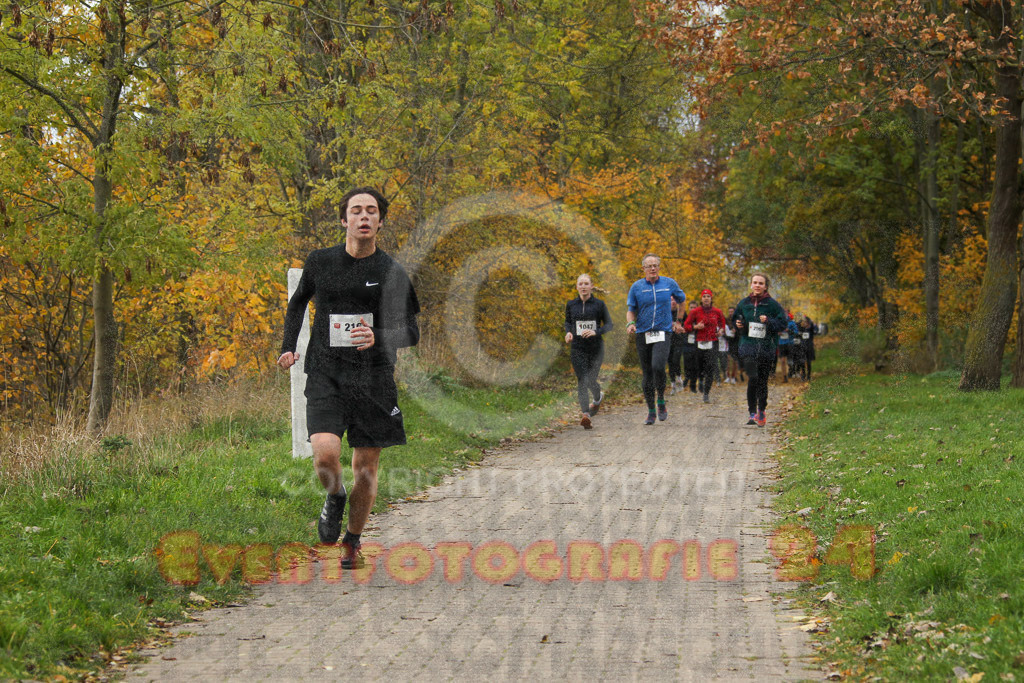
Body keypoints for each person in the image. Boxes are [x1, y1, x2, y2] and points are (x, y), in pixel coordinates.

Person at [278, 187, 420, 570]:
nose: (363, 216)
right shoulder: (321, 262)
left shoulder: (391, 270)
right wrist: (288, 345)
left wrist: (381, 337)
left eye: (371, 211)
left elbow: (411, 330)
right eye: (356, 210)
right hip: (326, 372)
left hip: (373, 377)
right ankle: (335, 495)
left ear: (380, 222)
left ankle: (352, 542)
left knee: (366, 468)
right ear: (344, 220)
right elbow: (298, 303)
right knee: (325, 456)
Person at [626, 254, 686, 425]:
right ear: (643, 268)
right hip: (643, 333)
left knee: (658, 366)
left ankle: (661, 400)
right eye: (649, 266)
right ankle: (651, 410)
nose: (652, 268)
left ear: (659, 267)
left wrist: (678, 321)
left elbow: (682, 300)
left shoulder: (669, 283)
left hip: (663, 332)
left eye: (655, 265)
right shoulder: (636, 287)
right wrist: (630, 323)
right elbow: (631, 309)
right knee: (647, 372)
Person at [732, 273, 787, 427]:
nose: (757, 285)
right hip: (748, 345)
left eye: (760, 283)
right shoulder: (743, 303)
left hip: (766, 347)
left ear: (765, 286)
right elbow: (736, 320)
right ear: (751, 285)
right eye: (755, 282)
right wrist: (738, 324)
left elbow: (782, 324)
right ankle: (752, 412)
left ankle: (761, 409)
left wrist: (769, 321)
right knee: (753, 377)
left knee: (762, 380)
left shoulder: (773, 305)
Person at [564, 273, 613, 429]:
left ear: (591, 286)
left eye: (586, 283)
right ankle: (585, 414)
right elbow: (568, 322)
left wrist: (595, 332)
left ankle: (598, 397)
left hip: (596, 348)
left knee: (591, 379)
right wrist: (569, 332)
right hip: (577, 347)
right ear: (577, 286)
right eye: (581, 284)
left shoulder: (599, 305)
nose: (583, 286)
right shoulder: (571, 304)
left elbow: (609, 325)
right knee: (582, 380)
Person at [683, 289, 727, 403]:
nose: (706, 298)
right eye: (704, 296)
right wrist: (696, 327)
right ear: (701, 299)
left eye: (708, 296)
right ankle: (700, 379)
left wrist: (721, 331)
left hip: (712, 342)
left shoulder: (717, 311)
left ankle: (706, 393)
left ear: (711, 299)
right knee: (699, 367)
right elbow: (686, 325)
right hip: (699, 342)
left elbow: (723, 324)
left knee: (710, 368)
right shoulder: (695, 312)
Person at [667, 299, 685, 394]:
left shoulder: (681, 313)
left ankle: (678, 377)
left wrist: (682, 328)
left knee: (675, 360)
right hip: (668, 341)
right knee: (670, 363)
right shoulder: (665, 313)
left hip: (678, 341)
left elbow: (687, 325)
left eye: (675, 300)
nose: (673, 302)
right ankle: (673, 383)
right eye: (671, 300)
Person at [681, 301, 699, 393]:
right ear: (689, 308)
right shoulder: (685, 318)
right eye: (691, 307)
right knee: (687, 364)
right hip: (686, 344)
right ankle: (686, 379)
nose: (693, 309)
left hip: (696, 344)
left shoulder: (699, 319)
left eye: (694, 307)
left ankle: (693, 385)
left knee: (695, 365)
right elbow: (683, 328)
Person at [777, 311, 797, 383]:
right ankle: (784, 377)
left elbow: (796, 332)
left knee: (790, 362)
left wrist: (789, 330)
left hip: (789, 343)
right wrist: (778, 333)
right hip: (781, 343)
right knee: (782, 361)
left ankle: (791, 370)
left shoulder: (791, 322)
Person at [725, 306, 743, 384]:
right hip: (728, 341)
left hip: (736, 341)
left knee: (735, 360)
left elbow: (742, 330)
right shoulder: (726, 320)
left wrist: (737, 331)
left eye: (732, 311)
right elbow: (724, 329)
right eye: (729, 311)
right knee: (728, 360)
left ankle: (733, 377)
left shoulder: (739, 320)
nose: (730, 313)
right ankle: (728, 376)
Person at [797, 315, 816, 380]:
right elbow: (797, 325)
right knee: (802, 361)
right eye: (803, 322)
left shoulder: (810, 329)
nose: (804, 323)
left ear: (808, 322)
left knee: (808, 361)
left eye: (806, 322)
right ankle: (803, 374)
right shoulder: (801, 329)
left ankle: (808, 375)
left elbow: (813, 328)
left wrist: (811, 322)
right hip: (802, 347)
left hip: (809, 347)